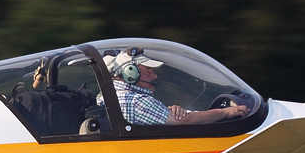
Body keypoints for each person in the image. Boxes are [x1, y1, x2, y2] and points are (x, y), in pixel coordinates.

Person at [99, 48, 249, 126]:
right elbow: (186, 121)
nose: (154, 76)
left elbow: (173, 118)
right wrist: (226, 113)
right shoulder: (135, 102)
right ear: (129, 74)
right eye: (148, 71)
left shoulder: (107, 97)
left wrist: (175, 112)